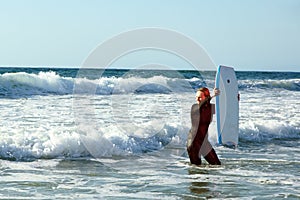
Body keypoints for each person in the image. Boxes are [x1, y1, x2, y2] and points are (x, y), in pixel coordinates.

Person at [187, 87, 221, 165]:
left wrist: (235, 100)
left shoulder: (211, 108)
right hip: (193, 143)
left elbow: (224, 109)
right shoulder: (195, 108)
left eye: (200, 97)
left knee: (217, 165)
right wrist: (212, 96)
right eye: (196, 97)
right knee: (197, 169)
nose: (197, 99)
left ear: (206, 97)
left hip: (204, 142)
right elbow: (201, 106)